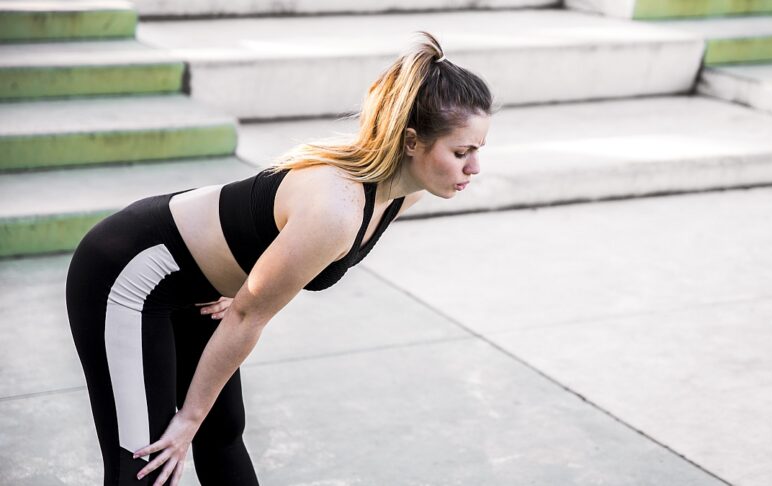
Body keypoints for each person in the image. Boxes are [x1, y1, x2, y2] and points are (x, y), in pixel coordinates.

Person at [65, 31, 494, 485]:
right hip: (131, 272)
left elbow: (262, 276)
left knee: (223, 434)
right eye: (461, 152)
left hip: (198, 288)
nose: (474, 168)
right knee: (148, 463)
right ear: (411, 142)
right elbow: (249, 314)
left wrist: (236, 284)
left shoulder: (402, 195)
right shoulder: (337, 207)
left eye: (477, 151)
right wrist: (187, 419)